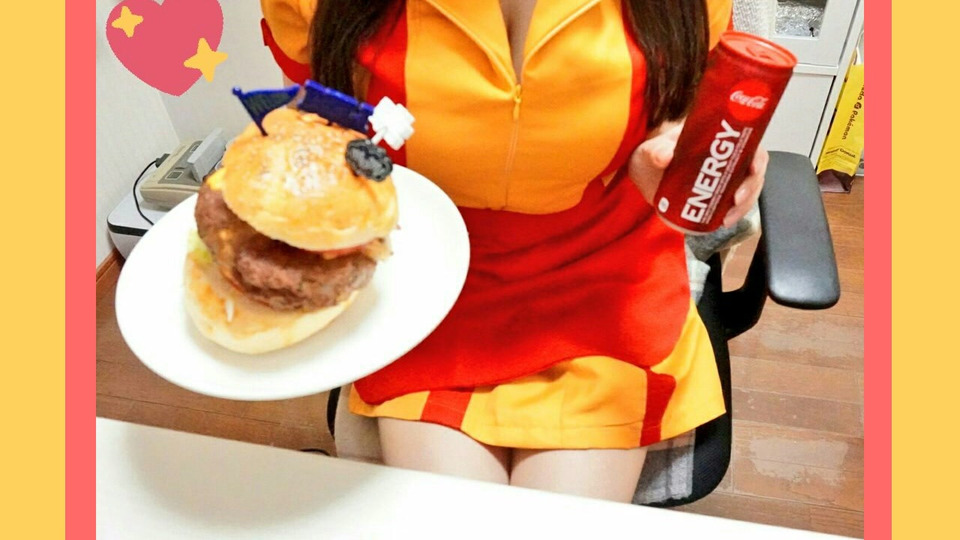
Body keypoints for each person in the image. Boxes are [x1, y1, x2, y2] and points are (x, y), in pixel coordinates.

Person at [260, 0, 766, 503]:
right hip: (426, 291)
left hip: (606, 289)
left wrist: (673, 159)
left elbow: (681, 111)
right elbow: (315, 123)